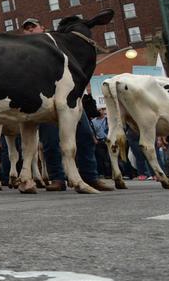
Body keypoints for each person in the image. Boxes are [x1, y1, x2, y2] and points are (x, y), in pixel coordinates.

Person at [21, 17, 112, 191]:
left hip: (71, 99)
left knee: (85, 136)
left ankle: (90, 177)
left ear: (43, 27)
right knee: (50, 141)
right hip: (46, 102)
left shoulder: (59, 43)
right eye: (27, 28)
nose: (30, 30)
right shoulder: (25, 51)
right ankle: (58, 178)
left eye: (33, 26)